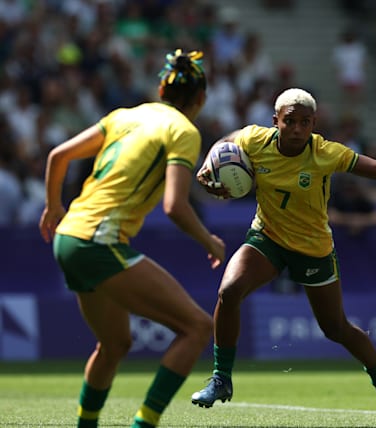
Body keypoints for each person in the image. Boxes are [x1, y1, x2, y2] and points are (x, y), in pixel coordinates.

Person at [190, 87, 376, 425]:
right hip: (267, 238)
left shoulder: (326, 153)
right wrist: (207, 170)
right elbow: (224, 144)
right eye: (290, 121)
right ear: (276, 121)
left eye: (305, 122)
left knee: (336, 328)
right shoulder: (255, 139)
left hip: (313, 249)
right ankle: (220, 379)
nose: (298, 129)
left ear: (314, 123)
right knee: (229, 291)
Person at [37, 49, 226, 428]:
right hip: (98, 243)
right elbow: (175, 206)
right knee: (198, 327)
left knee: (115, 344)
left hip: (69, 237)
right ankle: (144, 424)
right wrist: (209, 241)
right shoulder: (184, 131)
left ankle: (86, 424)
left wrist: (53, 208)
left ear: (161, 88)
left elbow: (58, 156)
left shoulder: (126, 116)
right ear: (200, 99)